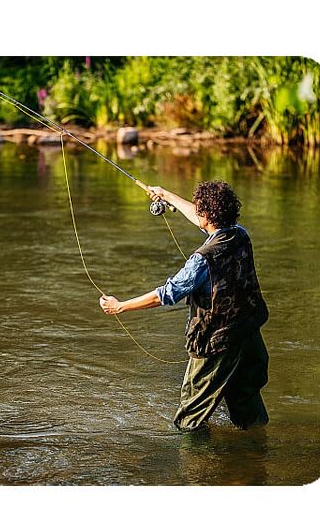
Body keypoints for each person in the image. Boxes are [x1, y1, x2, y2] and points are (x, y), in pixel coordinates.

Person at [99, 180, 270, 432]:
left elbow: (166, 294)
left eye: (199, 209)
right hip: (248, 332)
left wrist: (121, 306)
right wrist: (167, 195)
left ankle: (194, 457)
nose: (196, 211)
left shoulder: (201, 260)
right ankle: (258, 448)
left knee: (189, 420)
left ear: (208, 215)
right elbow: (205, 222)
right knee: (247, 403)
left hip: (217, 342)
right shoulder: (239, 234)